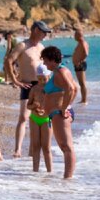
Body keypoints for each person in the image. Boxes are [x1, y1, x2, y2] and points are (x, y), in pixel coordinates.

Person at [4, 21, 51, 158]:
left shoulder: (41, 46)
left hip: (42, 85)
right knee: (24, 116)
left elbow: (46, 66)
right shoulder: (23, 45)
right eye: (43, 32)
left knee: (39, 117)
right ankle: (17, 149)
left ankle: (33, 150)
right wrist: (14, 80)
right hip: (27, 84)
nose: (45, 35)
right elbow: (8, 60)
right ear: (36, 30)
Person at [40, 46, 78, 179]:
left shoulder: (61, 71)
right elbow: (75, 88)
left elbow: (72, 88)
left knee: (67, 147)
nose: (43, 63)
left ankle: (68, 178)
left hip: (59, 113)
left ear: (51, 59)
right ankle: (67, 177)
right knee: (64, 147)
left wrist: (64, 108)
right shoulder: (58, 71)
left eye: (44, 60)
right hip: (56, 113)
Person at [28, 65, 53, 173]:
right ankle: (35, 171)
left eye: (44, 79)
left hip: (46, 119)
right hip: (34, 118)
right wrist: (34, 107)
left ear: (49, 76)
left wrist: (47, 110)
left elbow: (56, 105)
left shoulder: (52, 89)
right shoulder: (34, 89)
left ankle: (49, 172)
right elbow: (28, 105)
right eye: (39, 79)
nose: (42, 81)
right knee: (35, 146)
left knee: (46, 147)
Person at [72, 27, 90, 105]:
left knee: (82, 83)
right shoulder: (80, 43)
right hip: (78, 64)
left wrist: (80, 61)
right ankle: (83, 99)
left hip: (80, 65)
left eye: (75, 35)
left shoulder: (83, 43)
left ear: (79, 35)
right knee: (81, 83)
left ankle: (84, 100)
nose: (74, 37)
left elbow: (86, 53)